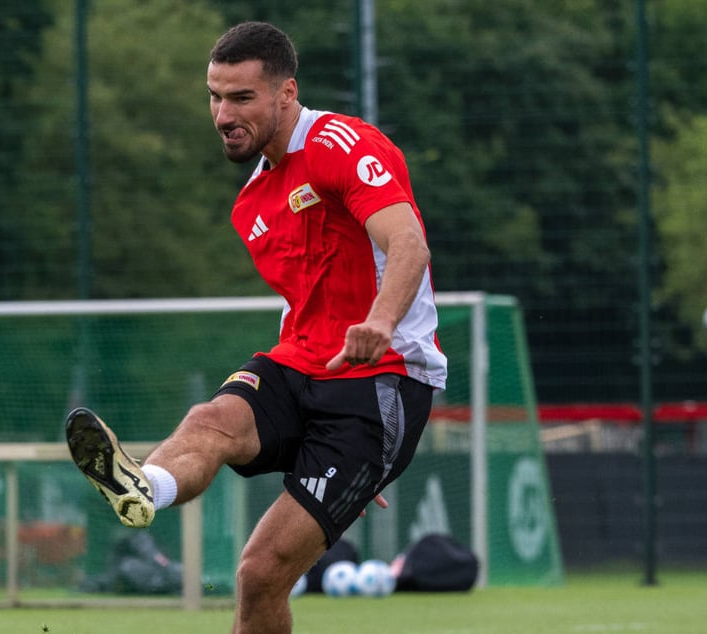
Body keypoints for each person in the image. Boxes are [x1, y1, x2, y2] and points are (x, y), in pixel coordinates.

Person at [65, 21, 447, 634]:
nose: (223, 113)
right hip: (302, 365)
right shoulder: (252, 204)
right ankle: (145, 488)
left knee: (259, 573)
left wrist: (379, 323)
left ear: (286, 94)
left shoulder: (342, 144)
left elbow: (408, 246)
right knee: (207, 421)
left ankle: (151, 487)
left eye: (241, 97)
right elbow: (306, 299)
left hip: (382, 379)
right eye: (215, 96)